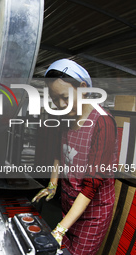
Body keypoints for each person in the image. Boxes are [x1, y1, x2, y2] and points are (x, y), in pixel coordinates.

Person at [32, 59, 117, 255]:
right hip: (69, 206)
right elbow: (58, 154)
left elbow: (92, 185)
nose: (61, 105)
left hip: (91, 214)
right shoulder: (66, 117)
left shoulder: (102, 122)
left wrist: (61, 228)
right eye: (55, 99)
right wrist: (53, 185)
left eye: (65, 97)